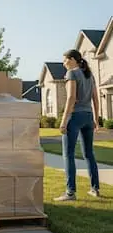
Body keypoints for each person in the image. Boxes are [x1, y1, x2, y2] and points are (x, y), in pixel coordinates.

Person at [54, 49, 100, 201]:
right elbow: (95, 98)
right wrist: (96, 119)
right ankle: (95, 189)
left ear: (73, 59)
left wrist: (63, 120)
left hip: (75, 117)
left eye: (65, 60)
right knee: (89, 154)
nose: (63, 63)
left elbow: (71, 97)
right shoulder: (89, 74)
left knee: (68, 155)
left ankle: (70, 193)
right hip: (88, 117)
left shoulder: (72, 73)